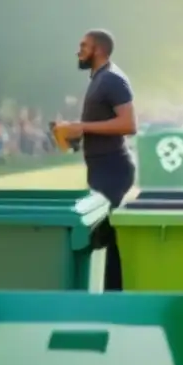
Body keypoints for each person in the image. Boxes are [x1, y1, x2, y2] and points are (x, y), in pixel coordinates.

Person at [53, 29, 137, 291]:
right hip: (100, 167)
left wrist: (82, 126)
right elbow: (97, 125)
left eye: (84, 45)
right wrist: (72, 134)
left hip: (114, 168)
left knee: (105, 234)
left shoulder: (112, 79)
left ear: (98, 49)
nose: (79, 50)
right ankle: (107, 291)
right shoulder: (98, 79)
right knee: (102, 233)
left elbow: (128, 123)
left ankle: (115, 295)